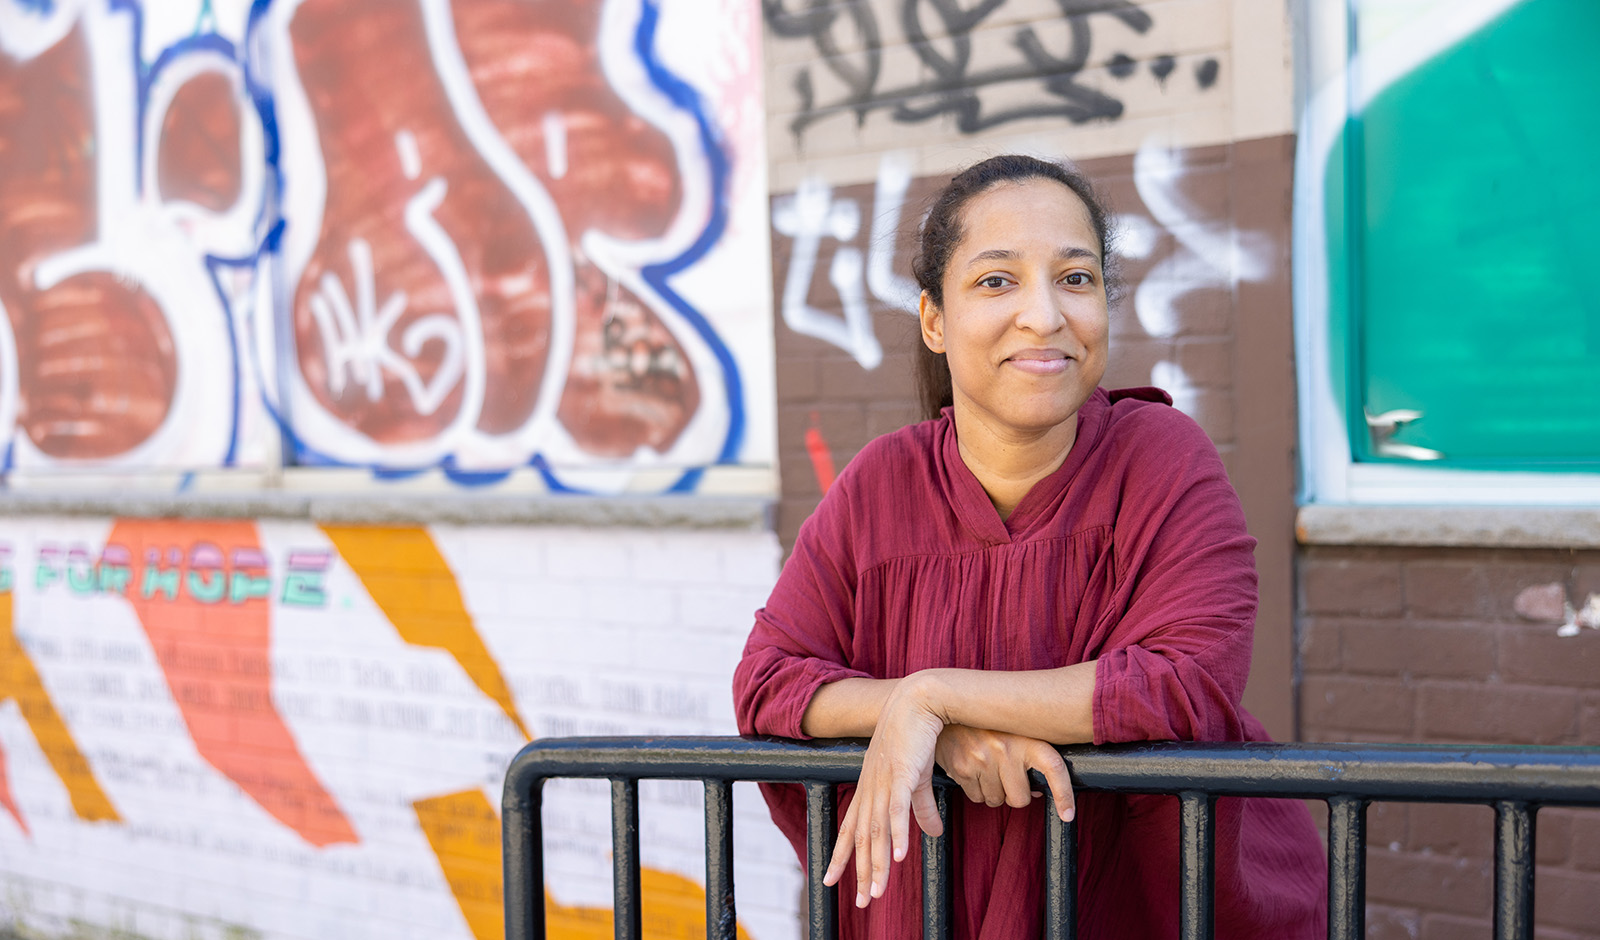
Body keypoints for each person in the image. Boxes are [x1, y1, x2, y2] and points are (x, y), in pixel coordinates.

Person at [732, 154, 1327, 938]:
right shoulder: (881, 484)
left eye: (1076, 278)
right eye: (996, 281)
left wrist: (935, 695)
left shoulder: (1161, 458)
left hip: (1127, 910)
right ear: (934, 320)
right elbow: (767, 680)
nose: (1045, 315)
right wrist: (932, 727)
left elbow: (1184, 682)